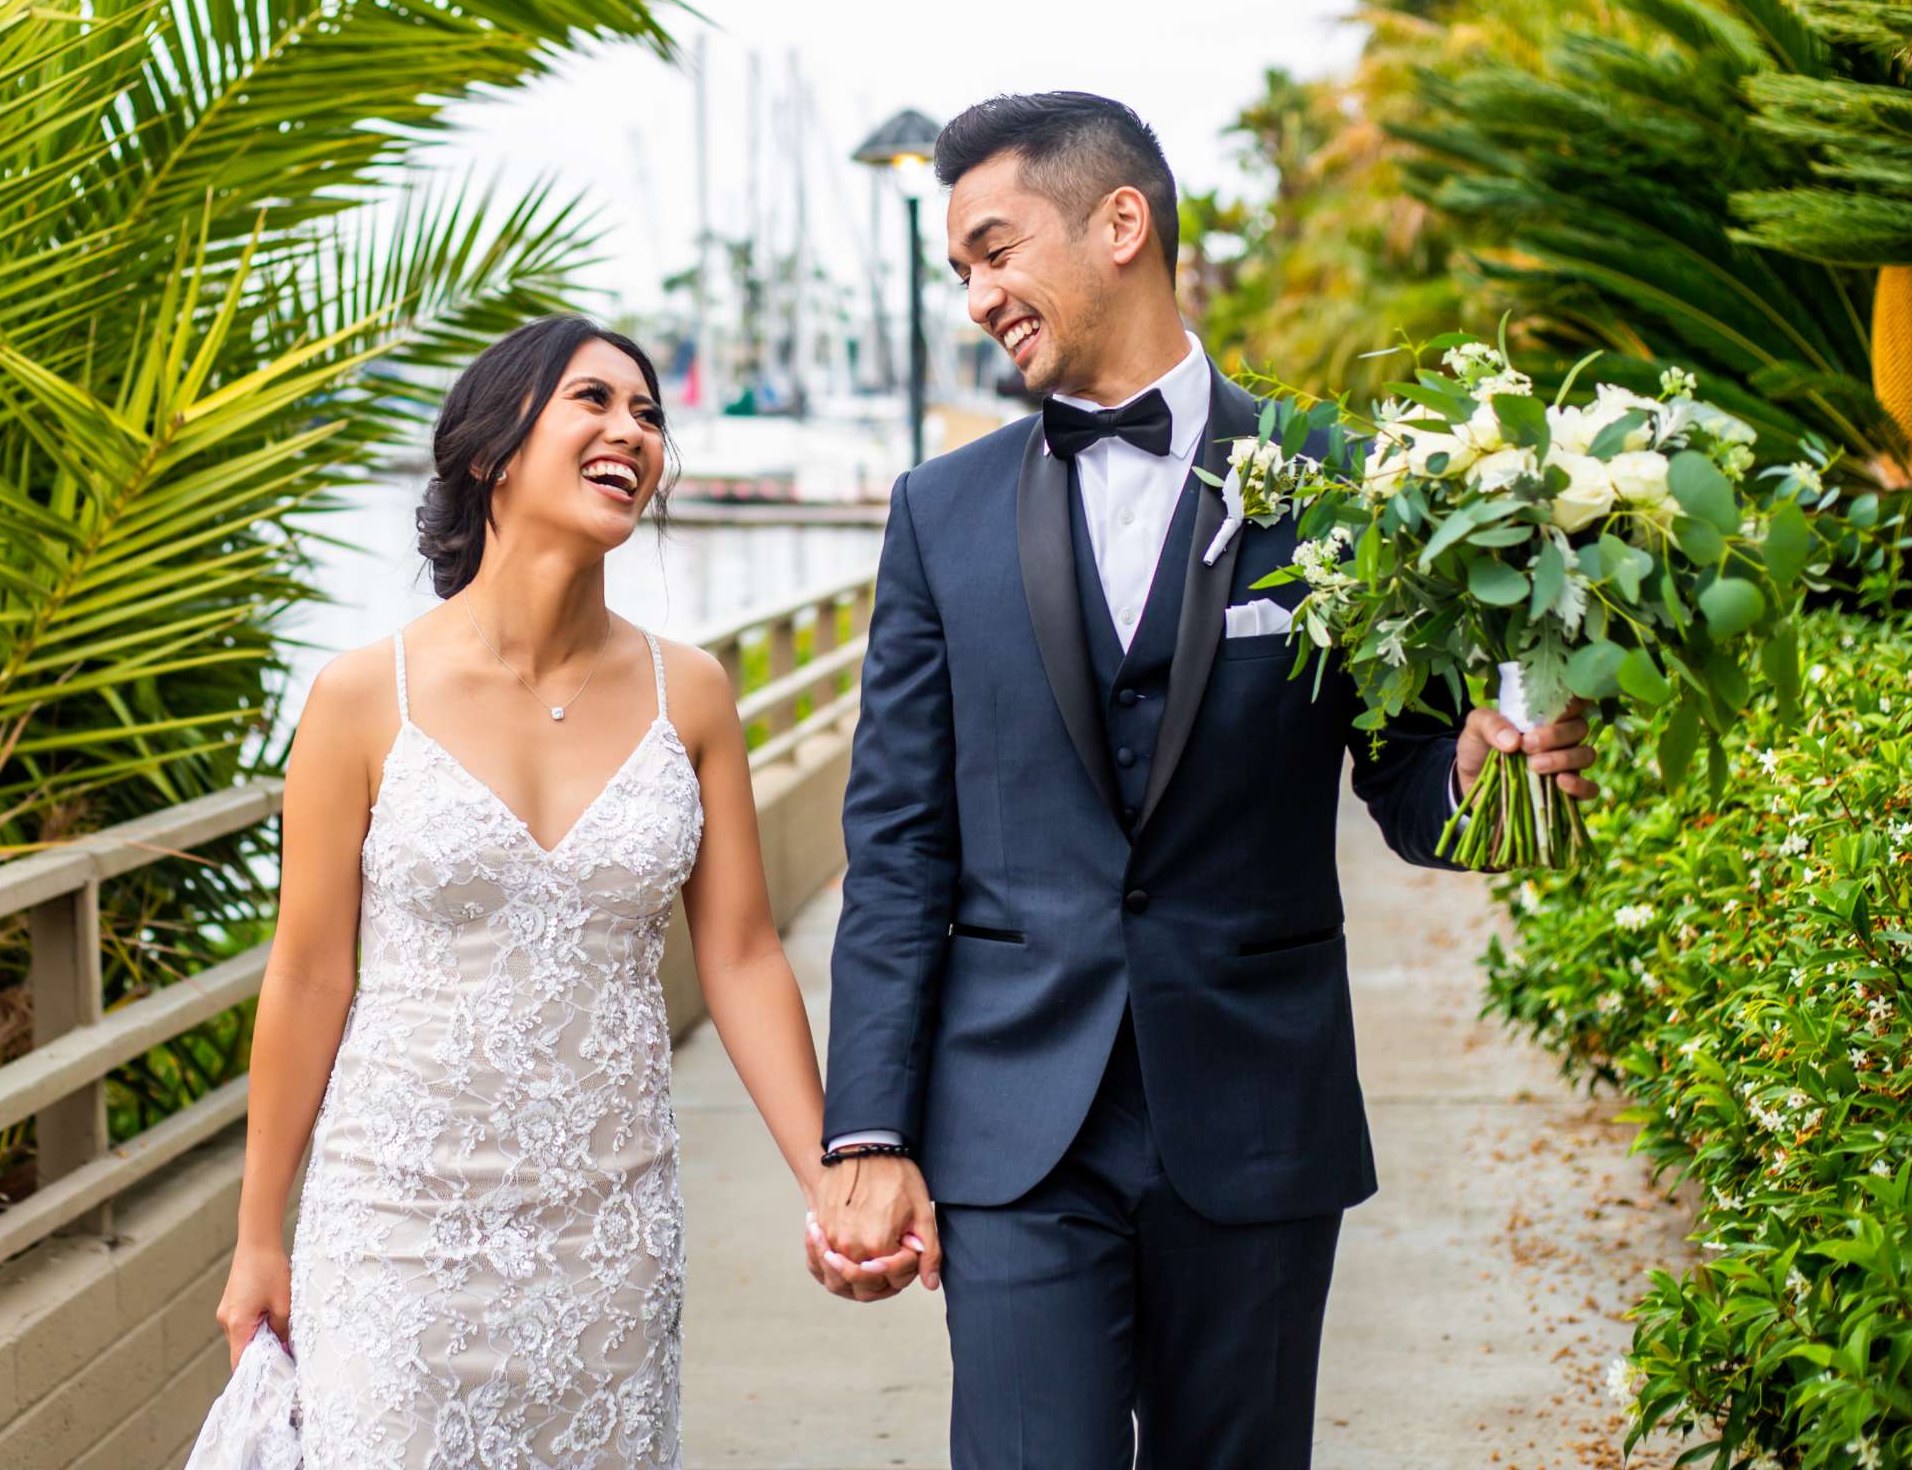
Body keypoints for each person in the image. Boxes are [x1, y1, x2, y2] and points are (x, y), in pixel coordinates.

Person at [807, 92, 1602, 1468]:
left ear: (1123, 222)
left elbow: (1409, 782)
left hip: (1254, 1114)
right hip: (1010, 1134)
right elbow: (896, 847)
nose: (980, 295)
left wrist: (1487, 772)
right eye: (961, 272)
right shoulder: (937, 514)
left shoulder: (1346, 488)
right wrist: (867, 1129)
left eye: (997, 250)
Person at [205, 316, 832, 1469]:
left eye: (647, 413)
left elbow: (742, 956)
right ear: (494, 450)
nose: (631, 431)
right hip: (394, 1236)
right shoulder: (359, 697)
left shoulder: (688, 697)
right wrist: (258, 1235)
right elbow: (307, 974)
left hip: (610, 1234)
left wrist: (825, 1174)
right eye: (592, 400)